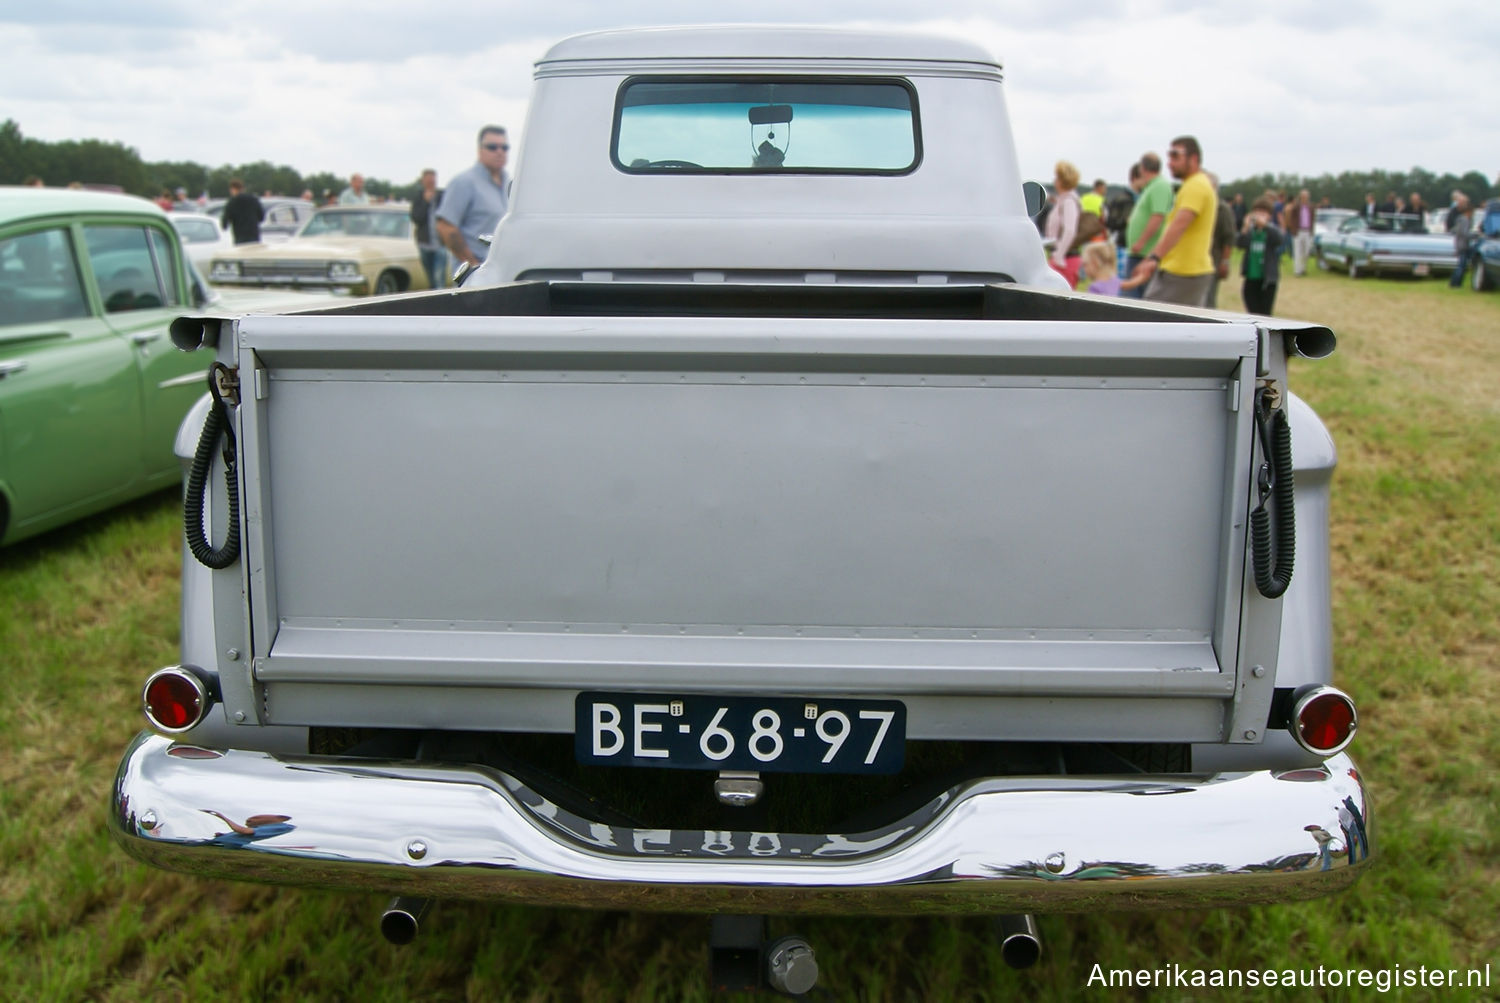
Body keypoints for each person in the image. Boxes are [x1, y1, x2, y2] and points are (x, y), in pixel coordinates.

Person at [1131, 136, 1216, 307]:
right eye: (1169, 156)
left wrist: (1154, 257)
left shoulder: (1196, 186)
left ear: (1194, 159)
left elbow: (1179, 225)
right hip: (1180, 270)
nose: (1169, 163)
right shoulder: (1190, 185)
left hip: (1184, 272)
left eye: (1175, 156)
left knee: (1152, 321)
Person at [436, 125, 512, 275]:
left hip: (503, 275)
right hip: (474, 279)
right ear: (479, 150)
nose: (499, 152)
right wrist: (474, 266)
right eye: (492, 147)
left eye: (504, 147)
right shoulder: (464, 183)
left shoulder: (509, 185)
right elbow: (446, 228)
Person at [1123, 152, 1172, 299]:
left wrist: (1141, 241)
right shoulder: (1152, 186)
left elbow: (1158, 216)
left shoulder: (1160, 186)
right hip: (1139, 253)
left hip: (1144, 254)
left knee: (1135, 298)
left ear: (1142, 168)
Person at [1236, 197, 1284, 316]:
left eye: (1263, 213)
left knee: (1265, 313)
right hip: (1251, 277)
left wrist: (1265, 226)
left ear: (1269, 216)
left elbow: (1279, 240)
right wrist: (1245, 227)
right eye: (1257, 212)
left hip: (1267, 279)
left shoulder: (1271, 231)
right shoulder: (1251, 231)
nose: (1259, 216)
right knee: (1252, 309)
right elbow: (1240, 244)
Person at [1043, 160, 1085, 287]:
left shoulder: (1068, 201)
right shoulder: (1064, 199)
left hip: (1065, 259)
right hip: (1061, 257)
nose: (1055, 181)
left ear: (1062, 180)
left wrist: (1059, 255)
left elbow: (1070, 230)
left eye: (1057, 177)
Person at [410, 168, 447, 289]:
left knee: (438, 278)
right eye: (428, 181)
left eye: (433, 180)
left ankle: (440, 302)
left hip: (440, 244)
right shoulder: (418, 197)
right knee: (431, 278)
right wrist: (425, 202)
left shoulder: (442, 196)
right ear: (423, 182)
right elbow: (416, 218)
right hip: (424, 244)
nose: (431, 183)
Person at [1205, 172, 1236, 308]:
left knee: (1208, 301)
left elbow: (1229, 238)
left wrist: (1225, 262)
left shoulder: (1222, 209)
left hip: (1213, 260)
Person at [220, 178, 264, 245]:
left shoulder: (231, 203)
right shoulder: (253, 199)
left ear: (233, 189)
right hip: (254, 237)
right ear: (242, 188)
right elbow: (261, 217)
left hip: (240, 238)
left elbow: (224, 224)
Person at [1283, 189, 1315, 277]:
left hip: (1307, 231)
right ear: (1300, 197)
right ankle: (1297, 270)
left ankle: (1303, 268)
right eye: (1303, 196)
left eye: (1306, 196)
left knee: (1307, 251)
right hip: (1298, 231)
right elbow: (1289, 215)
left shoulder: (1311, 207)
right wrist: (1291, 227)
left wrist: (1312, 230)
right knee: (1297, 251)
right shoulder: (1296, 206)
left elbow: (1313, 219)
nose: (1305, 198)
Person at [1447, 192, 1473, 288]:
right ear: (1468, 212)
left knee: (1460, 265)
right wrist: (1474, 236)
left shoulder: (1459, 219)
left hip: (1458, 244)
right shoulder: (1465, 220)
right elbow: (1465, 233)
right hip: (1463, 245)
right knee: (1461, 266)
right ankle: (1456, 283)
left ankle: (1454, 282)